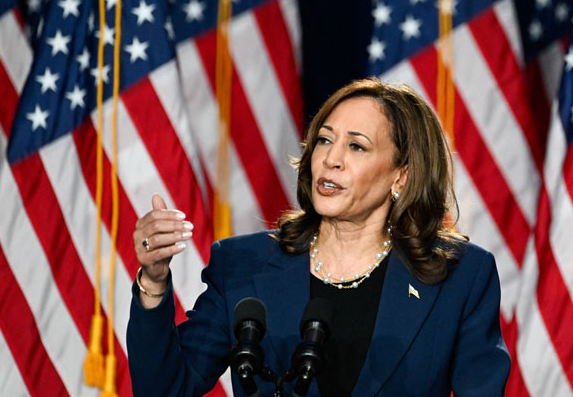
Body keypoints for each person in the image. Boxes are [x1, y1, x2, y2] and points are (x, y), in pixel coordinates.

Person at [127, 78, 511, 396]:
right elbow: (166, 390)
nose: (331, 159)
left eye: (357, 146)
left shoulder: (460, 276)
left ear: (402, 176)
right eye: (325, 140)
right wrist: (154, 282)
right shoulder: (243, 264)